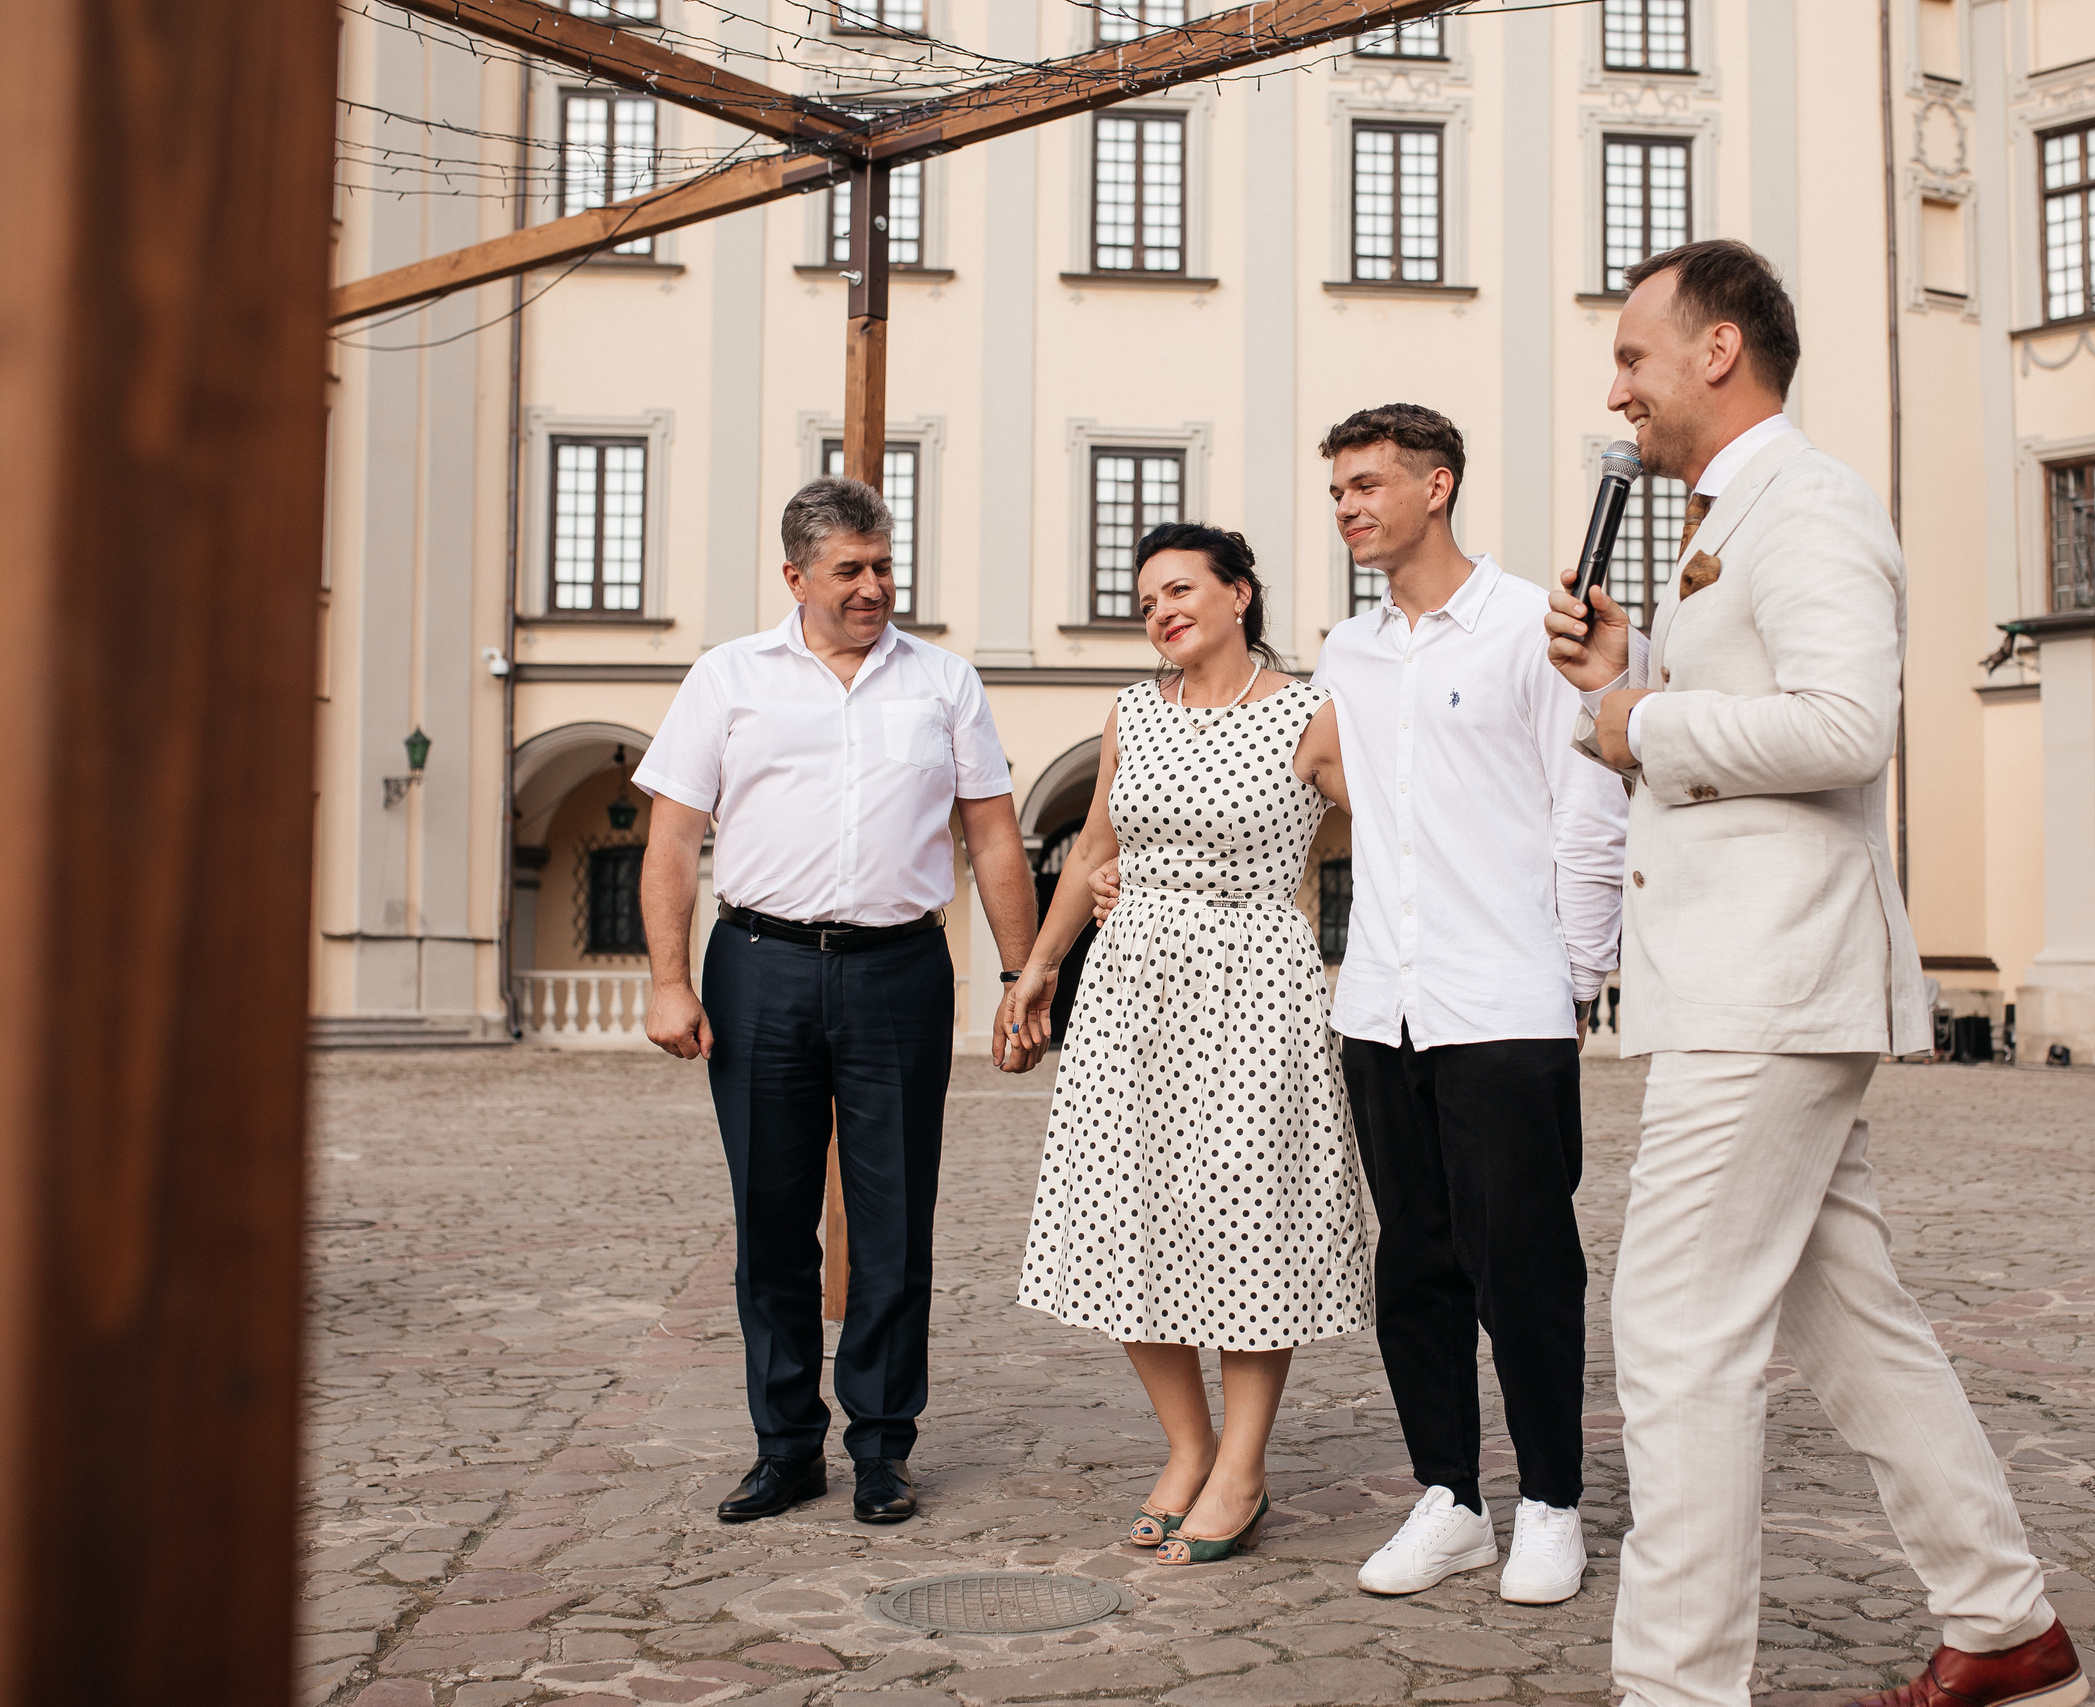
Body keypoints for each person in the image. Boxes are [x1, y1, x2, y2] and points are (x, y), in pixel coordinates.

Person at [1544, 239, 2083, 1707]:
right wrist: (1626, 672)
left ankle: (1678, 1688)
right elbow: (1748, 708)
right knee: (1849, 1318)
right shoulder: (1731, 514)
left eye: (1636, 358)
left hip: (1768, 983)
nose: (1620, 390)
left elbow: (1848, 724)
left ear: (1720, 350)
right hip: (1743, 974)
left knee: (1676, 1337)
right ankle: (2004, 1624)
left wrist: (1641, 720)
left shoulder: (1812, 500)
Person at [635, 476, 1041, 1528]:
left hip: (898, 973)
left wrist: (1016, 972)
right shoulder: (728, 678)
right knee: (770, 1222)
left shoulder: (943, 682)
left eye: (884, 565)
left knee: (894, 1223)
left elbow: (992, 834)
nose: (873, 587)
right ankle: (784, 1449)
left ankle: (880, 1447)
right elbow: (673, 840)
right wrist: (670, 978)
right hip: (758, 968)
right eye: (850, 570)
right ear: (796, 576)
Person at [1002, 523, 1370, 1567]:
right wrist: (1038, 966)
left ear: (1238, 595)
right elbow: (1093, 848)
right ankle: (1186, 1446)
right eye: (1145, 599)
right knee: (1129, 1213)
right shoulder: (1130, 712)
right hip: (1130, 992)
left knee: (1248, 1220)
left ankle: (1243, 1468)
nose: (1161, 611)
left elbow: (1393, 837)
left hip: (1257, 988)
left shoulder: (1310, 713)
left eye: (1180, 589)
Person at [1310, 405, 1628, 1606]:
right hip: (1382, 1000)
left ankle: (1551, 1502)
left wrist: (1578, 976)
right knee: (1418, 1267)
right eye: (1336, 489)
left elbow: (1588, 799)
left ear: (1436, 485)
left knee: (1527, 1269)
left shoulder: (1523, 630)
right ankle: (1448, 1497)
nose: (1347, 506)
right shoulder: (1351, 650)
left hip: (1506, 997)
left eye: (1368, 483)